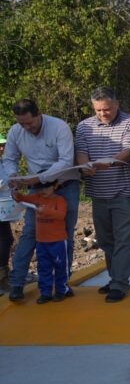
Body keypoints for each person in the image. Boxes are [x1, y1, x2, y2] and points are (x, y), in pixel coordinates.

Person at [4, 98, 79, 302]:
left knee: (65, 235)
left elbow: (66, 161)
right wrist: (13, 176)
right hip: (35, 186)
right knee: (30, 233)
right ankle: (17, 283)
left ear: (39, 114)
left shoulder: (59, 127)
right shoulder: (16, 131)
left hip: (65, 185)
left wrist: (39, 178)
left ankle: (62, 285)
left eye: (30, 122)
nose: (27, 127)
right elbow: (9, 158)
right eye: (22, 124)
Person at [75, 88, 130, 303]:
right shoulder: (84, 126)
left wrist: (108, 162)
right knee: (106, 240)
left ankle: (120, 284)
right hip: (98, 193)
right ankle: (115, 279)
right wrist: (85, 166)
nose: (103, 113)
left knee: (124, 240)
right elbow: (81, 152)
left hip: (124, 192)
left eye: (107, 109)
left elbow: (129, 151)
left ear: (117, 103)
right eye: (98, 110)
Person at [12, 178, 69, 304]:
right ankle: (45, 292)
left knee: (60, 267)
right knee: (43, 268)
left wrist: (45, 211)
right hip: (41, 241)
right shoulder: (37, 197)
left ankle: (62, 290)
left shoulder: (59, 200)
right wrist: (16, 194)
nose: (43, 190)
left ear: (55, 186)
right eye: (40, 187)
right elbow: (22, 199)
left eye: (47, 187)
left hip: (57, 241)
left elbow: (61, 215)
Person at [0, 133, 15, 294]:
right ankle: (2, 278)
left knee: (6, 239)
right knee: (5, 239)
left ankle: (4, 275)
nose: (1, 148)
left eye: (2, 145)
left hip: (3, 210)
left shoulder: (3, 162)